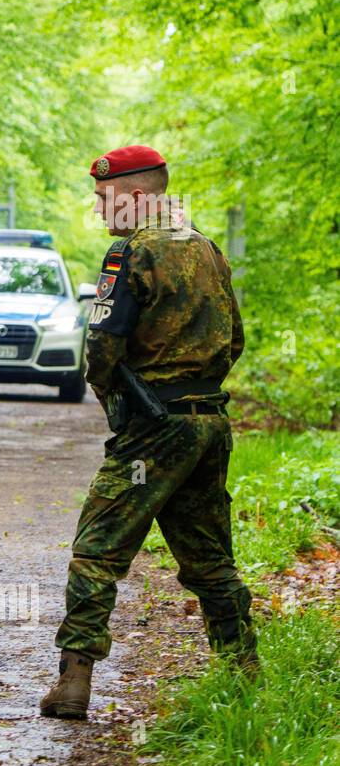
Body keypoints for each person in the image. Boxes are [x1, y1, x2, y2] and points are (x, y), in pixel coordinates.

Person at [40, 146, 258, 720]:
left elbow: (103, 346)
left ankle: (73, 685)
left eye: (103, 197)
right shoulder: (207, 248)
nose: (97, 207)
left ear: (137, 197)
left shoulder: (131, 253)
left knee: (96, 551)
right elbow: (234, 339)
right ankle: (243, 672)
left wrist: (113, 393)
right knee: (210, 559)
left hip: (153, 430)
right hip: (208, 425)